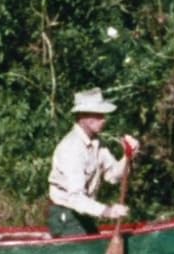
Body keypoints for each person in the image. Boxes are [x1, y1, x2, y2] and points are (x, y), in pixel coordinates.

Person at [47, 88, 140, 238]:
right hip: (66, 215)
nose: (103, 119)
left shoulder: (97, 143)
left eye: (102, 115)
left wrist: (128, 157)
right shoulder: (71, 148)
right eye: (97, 115)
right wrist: (108, 211)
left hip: (83, 213)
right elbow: (75, 198)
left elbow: (113, 176)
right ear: (82, 117)